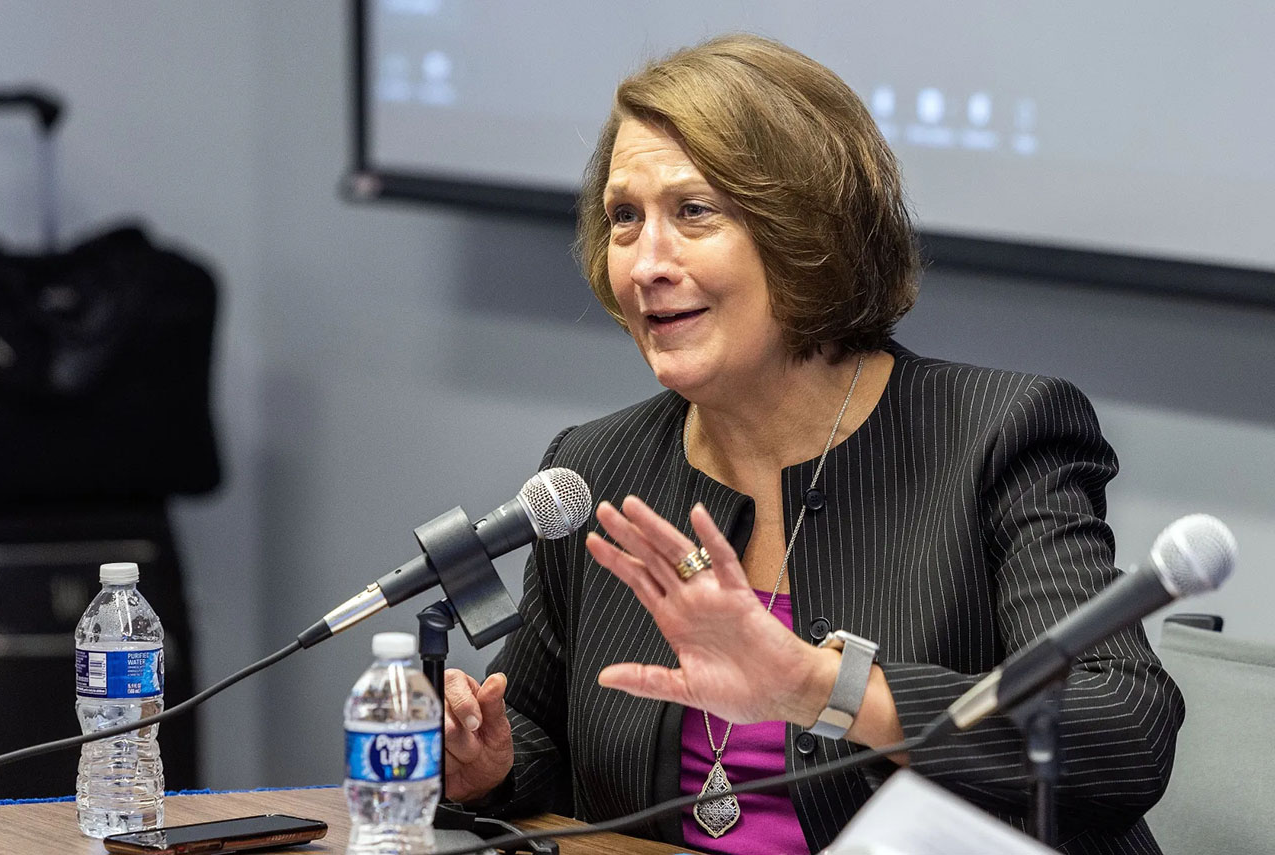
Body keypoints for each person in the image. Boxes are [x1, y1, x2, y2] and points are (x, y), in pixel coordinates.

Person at [440, 34, 1183, 855]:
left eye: (693, 212)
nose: (647, 262)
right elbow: (546, 738)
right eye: (625, 218)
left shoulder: (997, 436)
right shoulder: (596, 469)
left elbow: (1122, 727)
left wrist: (818, 686)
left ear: (806, 230)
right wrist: (490, 764)